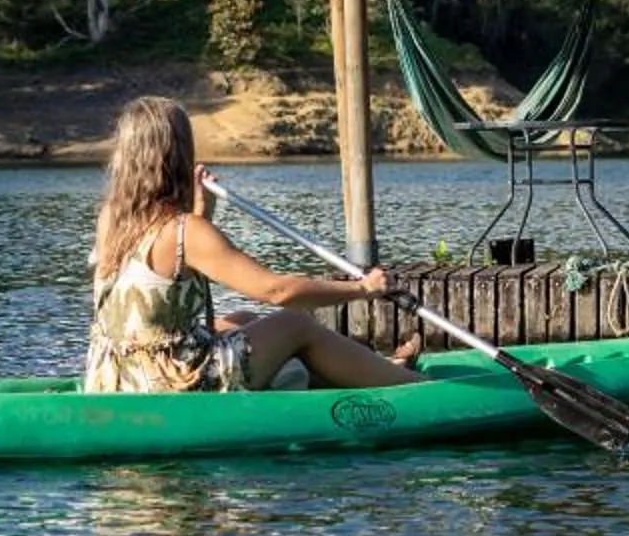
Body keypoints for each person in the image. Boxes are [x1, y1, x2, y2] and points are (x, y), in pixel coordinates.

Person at [85, 96, 423, 395]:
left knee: (242, 320)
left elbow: (167, 280)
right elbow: (277, 291)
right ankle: (414, 386)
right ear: (178, 154)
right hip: (164, 382)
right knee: (295, 324)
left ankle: (374, 370)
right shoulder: (185, 231)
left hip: (115, 373)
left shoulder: (111, 217)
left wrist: (201, 213)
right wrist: (363, 288)